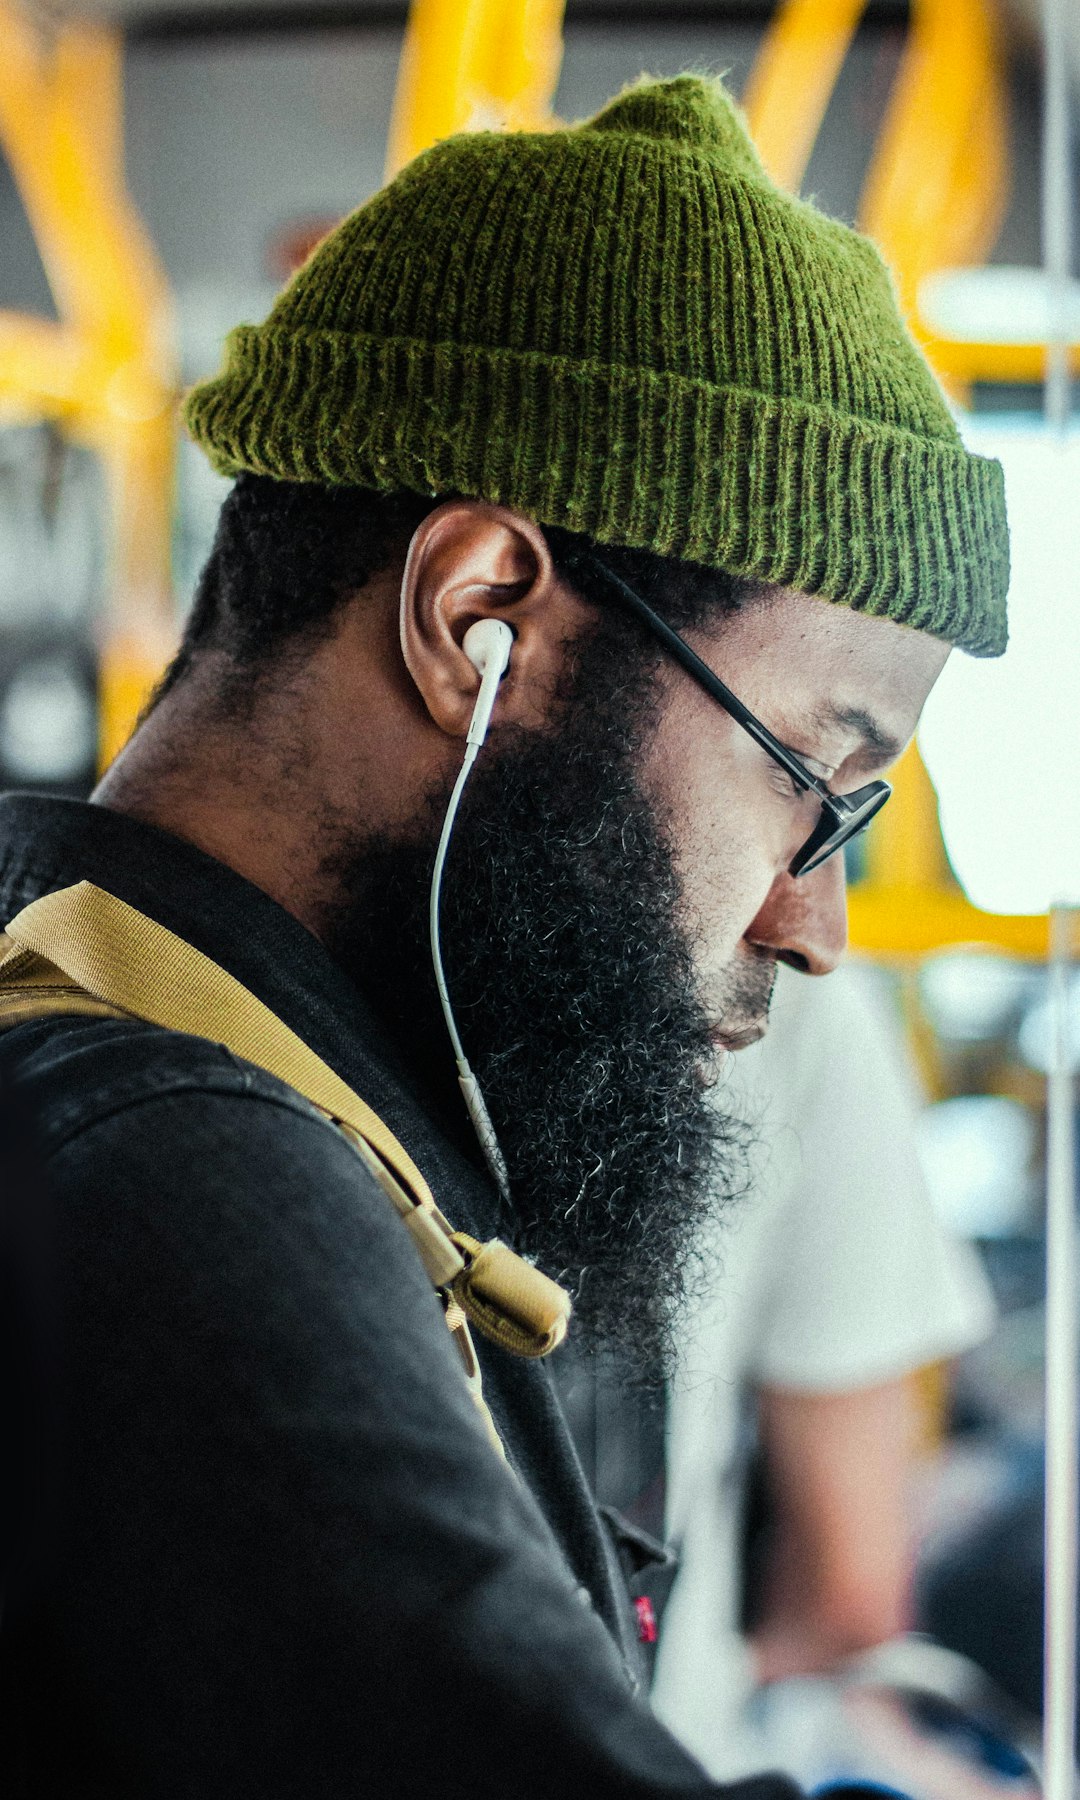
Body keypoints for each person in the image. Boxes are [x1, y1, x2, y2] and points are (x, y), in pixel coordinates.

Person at [0, 74, 1007, 1800]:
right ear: (477, 618)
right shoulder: (177, 1184)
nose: (816, 922)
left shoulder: (267, 1106)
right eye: (813, 786)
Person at [652, 961, 997, 1780]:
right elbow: (852, 1587)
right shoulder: (799, 999)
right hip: (656, 1742)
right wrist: (717, 1677)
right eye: (803, 827)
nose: (819, 922)